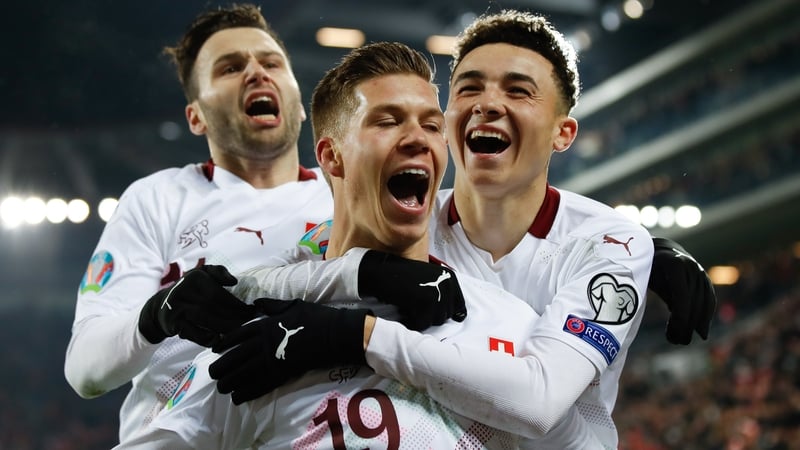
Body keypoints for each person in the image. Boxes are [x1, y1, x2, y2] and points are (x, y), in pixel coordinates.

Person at [179, 9, 684, 448]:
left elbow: (541, 400)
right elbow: (304, 264)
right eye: (469, 88)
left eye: (518, 90)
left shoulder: (609, 244)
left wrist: (356, 333)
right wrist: (354, 274)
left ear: (563, 132)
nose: (487, 103)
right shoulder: (404, 218)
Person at [116, 40, 567, 450]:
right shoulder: (254, 340)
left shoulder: (512, 326)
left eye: (432, 126)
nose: (417, 140)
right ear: (332, 156)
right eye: (387, 122)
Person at [63, 4, 466, 442]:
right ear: (196, 116)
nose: (257, 73)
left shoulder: (360, 192)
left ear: (298, 103)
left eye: (272, 62)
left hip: (315, 424)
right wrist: (159, 315)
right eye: (231, 68)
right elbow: (86, 370)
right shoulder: (157, 199)